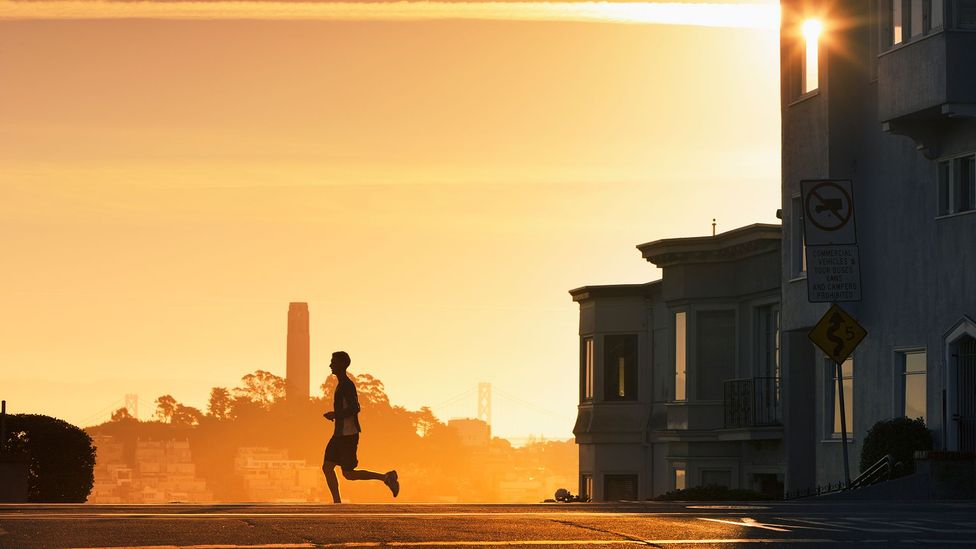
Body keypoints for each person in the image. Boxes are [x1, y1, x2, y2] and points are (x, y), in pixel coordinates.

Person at [322, 351, 399, 503]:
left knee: (349, 474)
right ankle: (336, 502)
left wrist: (335, 415)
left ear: (342, 365)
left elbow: (355, 408)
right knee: (327, 467)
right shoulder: (340, 385)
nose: (330, 364)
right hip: (339, 434)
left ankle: (386, 477)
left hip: (348, 435)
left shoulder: (347, 385)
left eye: (333, 362)